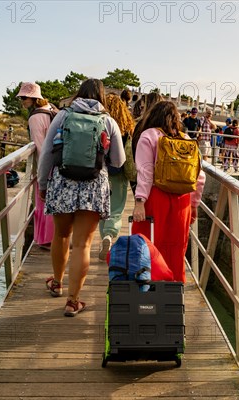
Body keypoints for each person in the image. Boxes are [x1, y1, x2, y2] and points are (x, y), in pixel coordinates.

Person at [38, 79, 125, 316]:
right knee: (83, 244)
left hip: (63, 181)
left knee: (61, 234)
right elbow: (118, 160)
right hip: (93, 185)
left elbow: (46, 152)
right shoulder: (108, 120)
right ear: (102, 96)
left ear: (78, 94)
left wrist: (43, 183)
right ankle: (73, 300)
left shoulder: (63, 116)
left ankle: (56, 283)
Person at [131, 101, 205, 283]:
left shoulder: (148, 136)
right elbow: (199, 175)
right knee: (177, 248)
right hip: (183, 201)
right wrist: (194, 205)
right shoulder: (186, 140)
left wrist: (140, 201)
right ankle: (174, 290)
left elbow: (146, 172)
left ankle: (148, 287)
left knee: (147, 245)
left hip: (156, 197)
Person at [17, 82, 56, 251]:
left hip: (47, 167)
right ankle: (55, 238)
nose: (22, 101)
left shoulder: (35, 118)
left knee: (43, 202)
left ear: (33, 98)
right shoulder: (53, 110)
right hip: (60, 165)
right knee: (55, 205)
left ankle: (46, 240)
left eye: (24, 98)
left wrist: (42, 173)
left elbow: (40, 147)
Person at [98, 93, 135, 259]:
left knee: (101, 207)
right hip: (119, 172)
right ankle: (110, 234)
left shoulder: (101, 122)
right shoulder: (127, 127)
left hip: (100, 172)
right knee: (117, 208)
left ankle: (103, 237)